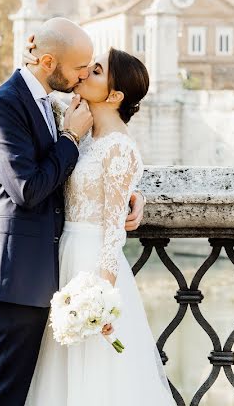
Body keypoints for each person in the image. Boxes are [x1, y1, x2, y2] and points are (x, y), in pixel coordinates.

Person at [0, 18, 146, 406]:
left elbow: (104, 165)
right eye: (82, 67)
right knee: (1, 397)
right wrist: (71, 138)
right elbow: (27, 189)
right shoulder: (6, 104)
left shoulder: (50, 104)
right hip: (12, 279)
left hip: (51, 278)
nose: (83, 75)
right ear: (48, 62)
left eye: (93, 68)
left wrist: (129, 193)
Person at [25, 46, 174, 406]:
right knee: (61, 372)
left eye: (94, 71)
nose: (82, 74)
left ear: (115, 95)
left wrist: (101, 299)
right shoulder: (85, 130)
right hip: (64, 255)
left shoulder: (119, 147)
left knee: (97, 376)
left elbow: (112, 233)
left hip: (92, 266)